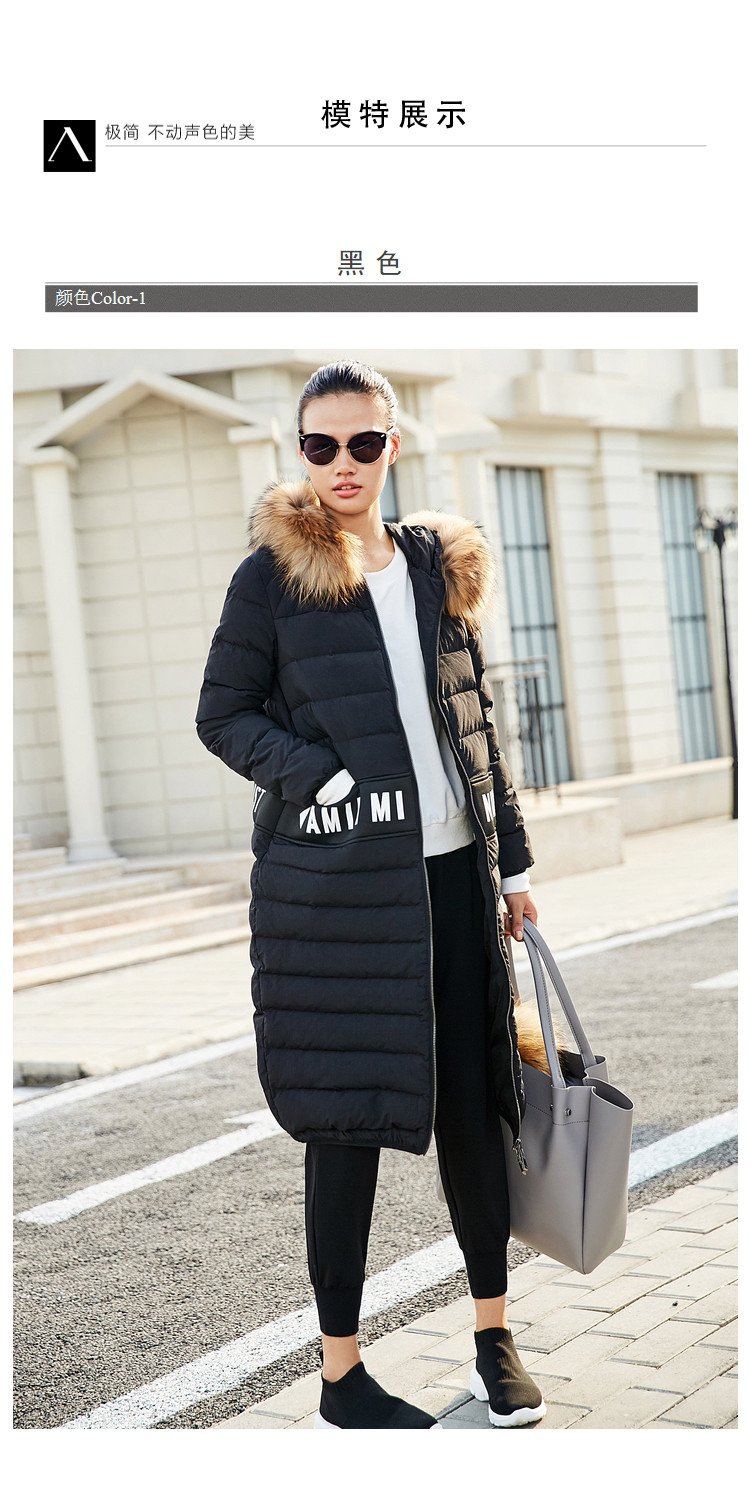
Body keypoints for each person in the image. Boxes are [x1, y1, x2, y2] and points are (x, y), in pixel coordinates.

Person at [196, 359, 546, 1430]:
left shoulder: (436, 566)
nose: (342, 464)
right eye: (321, 445)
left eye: (362, 443)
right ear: (299, 451)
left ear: (394, 446)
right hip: (337, 895)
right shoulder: (271, 578)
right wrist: (323, 774)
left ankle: (493, 1337)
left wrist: (512, 863)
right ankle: (341, 1375)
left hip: (451, 878)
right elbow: (222, 714)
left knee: (474, 1111)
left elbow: (475, 717)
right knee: (342, 1123)